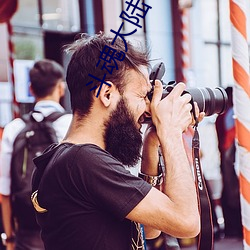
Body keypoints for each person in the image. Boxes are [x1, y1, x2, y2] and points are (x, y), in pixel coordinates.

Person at [31, 33, 202, 250]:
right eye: (142, 96)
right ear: (107, 94)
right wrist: (172, 132)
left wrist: (151, 144)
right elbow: (186, 222)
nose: (149, 109)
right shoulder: (83, 162)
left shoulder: (66, 158)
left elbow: (149, 229)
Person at [0, 59, 72, 250]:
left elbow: (5, 191)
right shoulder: (71, 124)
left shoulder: (13, 128)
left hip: (27, 233)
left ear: (31, 89)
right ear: (60, 88)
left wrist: (9, 239)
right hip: (67, 230)